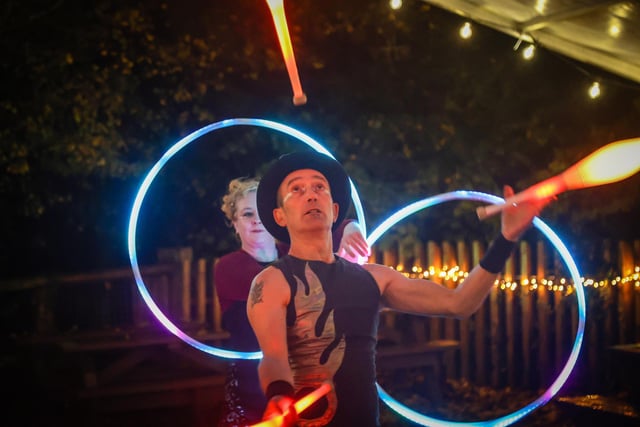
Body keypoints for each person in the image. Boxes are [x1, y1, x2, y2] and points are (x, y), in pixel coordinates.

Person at [247, 151, 550, 426]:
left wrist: (506, 238)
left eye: (319, 187)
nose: (311, 195)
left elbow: (459, 303)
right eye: (296, 190)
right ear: (279, 216)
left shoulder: (374, 279)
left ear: (335, 209)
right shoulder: (271, 281)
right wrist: (279, 396)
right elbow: (273, 355)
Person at [214, 177, 369, 427]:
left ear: (277, 217)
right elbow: (284, 296)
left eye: (260, 213)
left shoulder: (293, 253)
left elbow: (328, 226)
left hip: (308, 378)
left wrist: (351, 227)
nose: (255, 220)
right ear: (235, 224)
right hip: (255, 384)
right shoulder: (230, 267)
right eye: (246, 214)